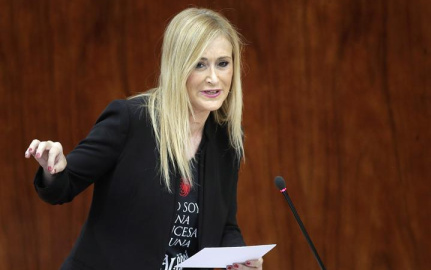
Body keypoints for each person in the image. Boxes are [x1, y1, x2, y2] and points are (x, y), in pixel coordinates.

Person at [24, 7, 263, 270]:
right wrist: (52, 169)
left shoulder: (226, 141)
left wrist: (241, 256)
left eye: (222, 63)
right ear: (177, 66)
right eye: (199, 64)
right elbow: (63, 187)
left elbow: (225, 224)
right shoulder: (131, 121)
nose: (213, 78)